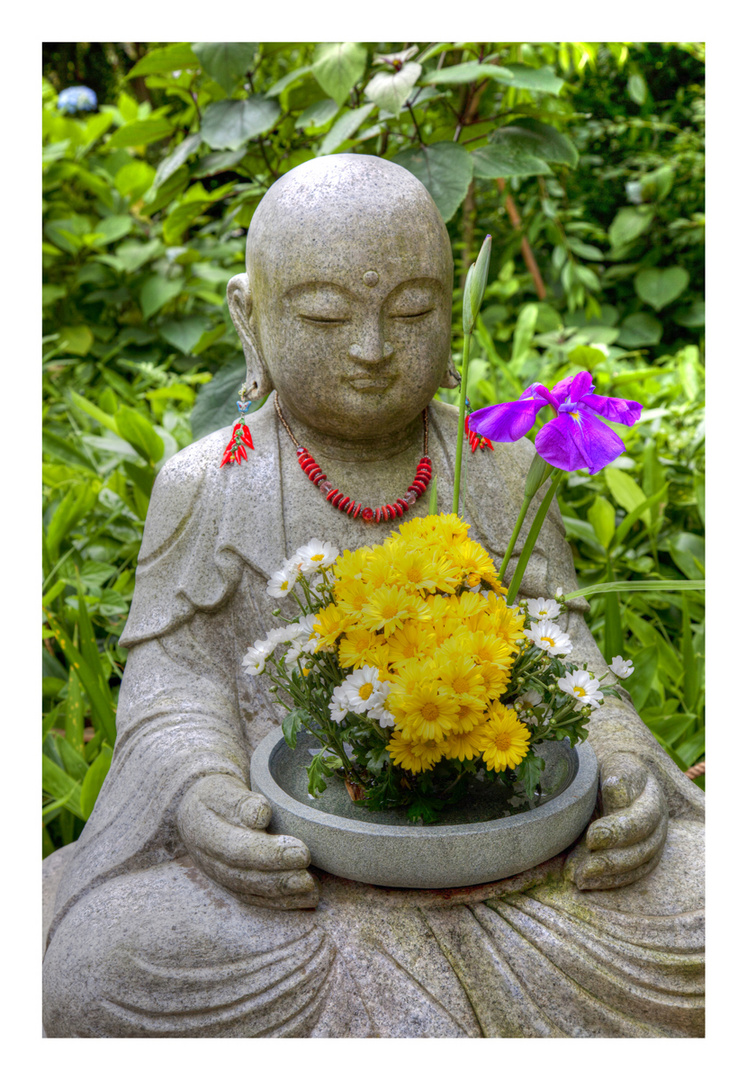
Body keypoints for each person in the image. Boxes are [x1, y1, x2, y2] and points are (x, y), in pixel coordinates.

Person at [42, 155, 704, 1038]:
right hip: (297, 889)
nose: (370, 349)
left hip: (511, 844)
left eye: (413, 313)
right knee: (103, 967)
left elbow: (562, 651)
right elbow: (177, 683)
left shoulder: (495, 462)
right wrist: (202, 794)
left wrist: (619, 763)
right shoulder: (209, 482)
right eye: (322, 315)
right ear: (252, 317)